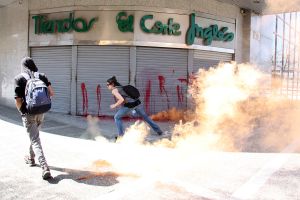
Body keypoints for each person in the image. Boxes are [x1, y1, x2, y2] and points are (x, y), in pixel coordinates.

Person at [14, 57, 54, 180]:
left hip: (29, 112)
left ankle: (44, 167)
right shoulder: (41, 75)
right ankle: (31, 158)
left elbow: (18, 100)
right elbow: (51, 93)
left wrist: (23, 112)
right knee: (35, 136)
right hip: (41, 111)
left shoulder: (19, 79)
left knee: (35, 139)